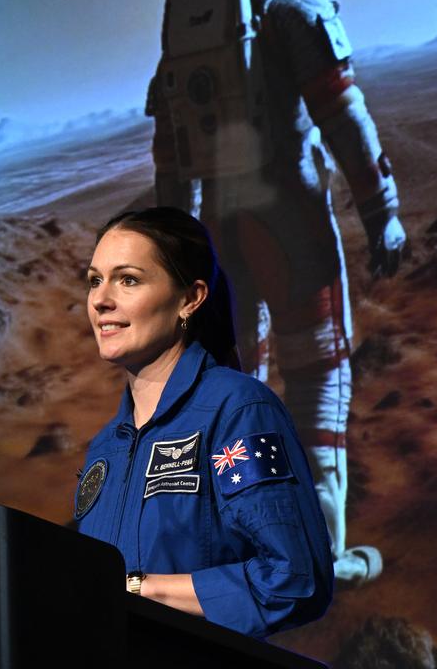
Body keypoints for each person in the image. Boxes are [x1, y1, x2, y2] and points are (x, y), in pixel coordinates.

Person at [146, 0, 402, 585]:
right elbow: (344, 118)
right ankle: (321, 552)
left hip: (221, 235)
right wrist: (382, 211)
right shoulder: (292, 8)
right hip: (290, 224)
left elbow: (170, 163)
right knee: (318, 376)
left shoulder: (184, 31)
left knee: (238, 391)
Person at [73, 207, 332, 639]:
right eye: (95, 280)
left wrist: (139, 589)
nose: (100, 299)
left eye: (128, 279)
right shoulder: (106, 448)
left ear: (190, 298)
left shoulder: (237, 409)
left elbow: (296, 579)